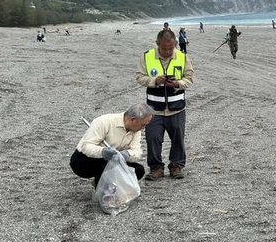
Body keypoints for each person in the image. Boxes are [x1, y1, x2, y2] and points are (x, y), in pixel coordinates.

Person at [136, 29, 194, 179]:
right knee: (153, 138)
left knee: (178, 138)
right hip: (154, 109)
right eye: (164, 48)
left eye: (171, 48)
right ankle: (156, 168)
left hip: (177, 108)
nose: (168, 52)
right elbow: (140, 77)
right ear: (157, 44)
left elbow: (189, 78)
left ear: (174, 44)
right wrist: (154, 81)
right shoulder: (147, 57)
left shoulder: (182, 57)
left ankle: (176, 166)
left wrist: (178, 83)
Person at [70, 102, 152, 188]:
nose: (144, 128)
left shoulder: (136, 130)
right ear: (132, 119)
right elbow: (86, 146)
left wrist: (127, 154)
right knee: (105, 164)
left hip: (113, 159)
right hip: (84, 160)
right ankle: (104, 194)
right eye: (143, 124)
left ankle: (115, 188)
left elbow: (137, 151)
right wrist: (102, 152)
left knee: (138, 171)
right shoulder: (104, 122)